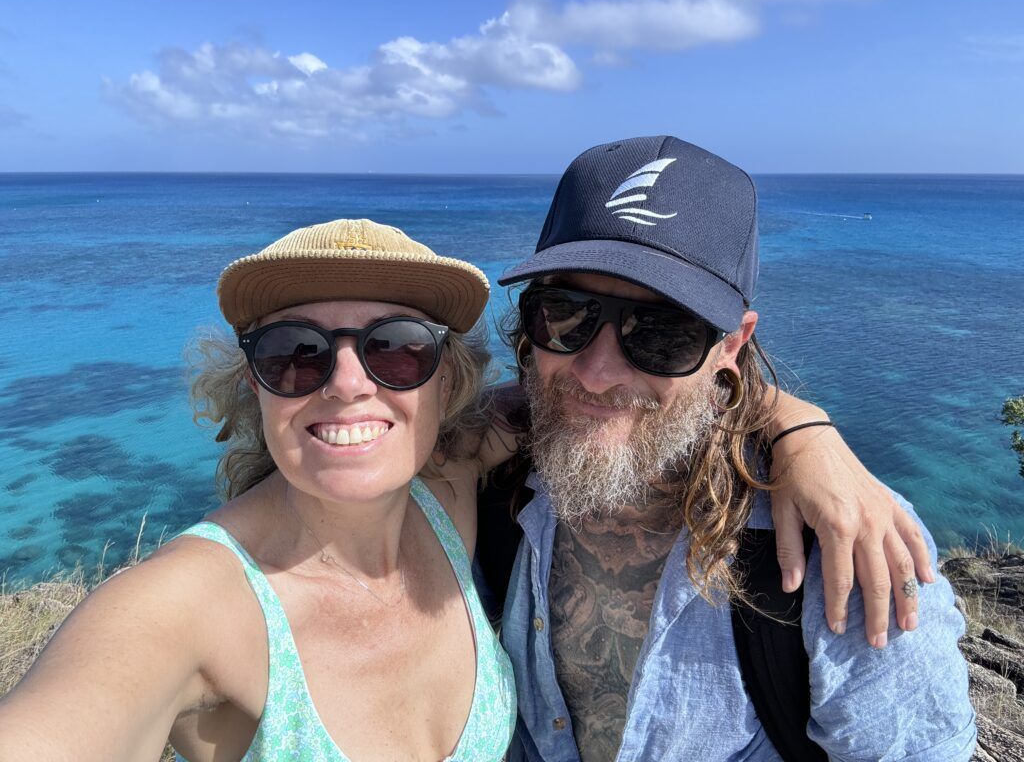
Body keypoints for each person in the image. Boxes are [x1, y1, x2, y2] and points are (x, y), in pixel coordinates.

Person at [0, 215, 935, 761]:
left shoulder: (450, 490)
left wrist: (800, 430)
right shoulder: (182, 606)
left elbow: (597, 401)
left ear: (447, 385)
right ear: (247, 383)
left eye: (397, 347)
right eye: (294, 354)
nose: (349, 383)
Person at [492, 136, 976, 761]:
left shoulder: (841, 547)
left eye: (663, 331)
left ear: (731, 344)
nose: (596, 372)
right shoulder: (488, 478)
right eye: (565, 313)